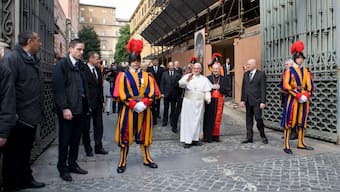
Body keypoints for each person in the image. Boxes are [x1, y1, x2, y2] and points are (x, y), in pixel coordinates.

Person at [1, 31, 45, 190]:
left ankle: (26, 178)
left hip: (31, 115)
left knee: (26, 151)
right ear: (29, 41)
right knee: (12, 154)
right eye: (38, 40)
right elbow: (7, 88)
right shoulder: (12, 59)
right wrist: (12, 113)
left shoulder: (32, 59)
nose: (40, 43)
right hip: (17, 116)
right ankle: (11, 184)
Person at [113, 39, 159, 173]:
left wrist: (144, 103)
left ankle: (147, 158)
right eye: (133, 60)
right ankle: (122, 161)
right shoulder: (122, 76)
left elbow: (152, 92)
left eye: (138, 59)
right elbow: (122, 93)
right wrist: (134, 104)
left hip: (145, 110)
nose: (136, 62)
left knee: (145, 135)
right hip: (128, 110)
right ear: (129, 61)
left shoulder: (148, 75)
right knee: (125, 135)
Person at [53, 39, 89, 182]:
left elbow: (84, 86)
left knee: (75, 140)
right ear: (70, 49)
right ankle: (63, 168)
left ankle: (72, 164)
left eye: (82, 50)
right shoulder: (62, 65)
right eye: (79, 49)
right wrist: (64, 107)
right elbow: (59, 89)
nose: (81, 52)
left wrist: (88, 105)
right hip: (68, 110)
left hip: (80, 109)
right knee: (65, 140)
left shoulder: (81, 66)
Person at [281, 41, 315, 154]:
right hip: (292, 99)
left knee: (302, 121)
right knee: (289, 121)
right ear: (295, 58)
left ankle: (301, 142)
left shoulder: (306, 71)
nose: (300, 60)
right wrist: (298, 95)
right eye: (298, 58)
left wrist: (306, 95)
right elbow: (286, 86)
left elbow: (311, 85)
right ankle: (286, 144)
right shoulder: (289, 71)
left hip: (304, 99)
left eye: (302, 58)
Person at [179, 63, 212, 148]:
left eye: (198, 68)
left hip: (199, 103)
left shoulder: (204, 79)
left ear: (200, 70)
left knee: (197, 121)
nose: (196, 70)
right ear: (192, 68)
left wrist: (208, 98)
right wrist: (187, 80)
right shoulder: (188, 76)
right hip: (188, 102)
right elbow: (181, 84)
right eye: (195, 68)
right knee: (188, 121)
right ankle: (187, 141)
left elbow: (207, 90)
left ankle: (195, 139)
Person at [82, 51, 108, 157]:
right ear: (90, 59)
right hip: (87, 103)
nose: (99, 61)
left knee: (99, 126)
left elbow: (99, 87)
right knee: (86, 127)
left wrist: (102, 101)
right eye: (97, 59)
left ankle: (98, 147)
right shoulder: (83, 70)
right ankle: (88, 148)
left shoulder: (98, 70)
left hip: (97, 102)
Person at [240, 59, 268, 144]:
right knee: (248, 120)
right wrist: (242, 100)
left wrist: (263, 101)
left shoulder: (261, 74)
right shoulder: (245, 74)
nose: (247, 66)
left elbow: (263, 88)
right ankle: (249, 137)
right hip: (248, 101)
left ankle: (263, 135)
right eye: (247, 64)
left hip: (257, 101)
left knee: (258, 118)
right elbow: (243, 88)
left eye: (249, 64)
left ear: (254, 65)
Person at [203, 63, 230, 142]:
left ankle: (215, 135)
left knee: (217, 118)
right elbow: (204, 89)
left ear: (219, 69)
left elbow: (228, 91)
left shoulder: (224, 79)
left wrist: (220, 87)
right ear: (212, 69)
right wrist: (212, 87)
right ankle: (207, 136)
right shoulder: (208, 78)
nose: (215, 70)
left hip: (219, 100)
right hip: (210, 100)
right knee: (208, 118)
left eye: (217, 69)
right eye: (214, 69)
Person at [160, 62, 182, 133]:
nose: (171, 67)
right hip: (166, 94)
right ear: (168, 66)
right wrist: (162, 93)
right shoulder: (164, 74)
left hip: (174, 95)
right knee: (166, 108)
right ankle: (165, 121)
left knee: (173, 108)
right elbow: (162, 83)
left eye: (172, 65)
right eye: (170, 66)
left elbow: (179, 85)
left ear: (174, 66)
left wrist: (179, 94)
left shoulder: (178, 74)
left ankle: (172, 121)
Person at [147, 57, 165, 124]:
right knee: (152, 102)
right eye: (154, 61)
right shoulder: (149, 69)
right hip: (152, 88)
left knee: (158, 102)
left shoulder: (162, 69)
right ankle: (153, 114)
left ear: (158, 62)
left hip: (159, 88)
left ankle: (158, 114)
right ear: (152, 62)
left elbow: (163, 79)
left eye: (156, 61)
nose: (155, 62)